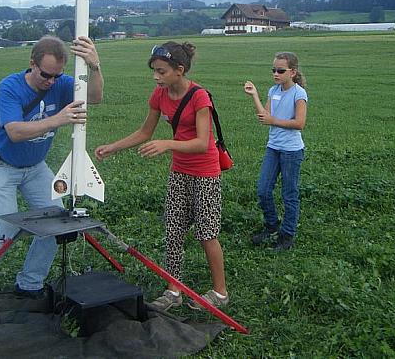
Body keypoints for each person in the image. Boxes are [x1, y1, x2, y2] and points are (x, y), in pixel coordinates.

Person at [0, 35, 103, 301]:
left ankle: (29, 284)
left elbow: (93, 97)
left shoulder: (60, 84)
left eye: (57, 76)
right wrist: (57, 119)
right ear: (32, 64)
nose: (51, 81)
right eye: (46, 75)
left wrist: (95, 66)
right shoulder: (10, 87)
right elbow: (14, 132)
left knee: (55, 223)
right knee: (5, 230)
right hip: (0, 166)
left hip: (35, 167)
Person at [95, 41, 229, 311]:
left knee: (206, 233)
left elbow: (203, 143)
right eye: (154, 71)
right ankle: (173, 289)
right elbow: (145, 132)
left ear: (179, 70)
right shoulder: (159, 95)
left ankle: (220, 292)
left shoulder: (200, 97)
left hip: (205, 172)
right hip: (179, 171)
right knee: (173, 230)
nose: (156, 77)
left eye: (161, 72)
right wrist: (114, 147)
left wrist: (167, 144)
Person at [243, 52, 307, 251]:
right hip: (273, 147)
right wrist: (254, 95)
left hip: (291, 151)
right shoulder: (273, 90)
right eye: (273, 70)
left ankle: (287, 235)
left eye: (280, 70)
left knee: (289, 193)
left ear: (293, 72)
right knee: (263, 190)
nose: (276, 74)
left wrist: (274, 121)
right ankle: (272, 226)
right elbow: (265, 117)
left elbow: (299, 123)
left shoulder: (299, 94)